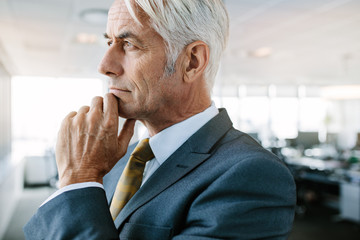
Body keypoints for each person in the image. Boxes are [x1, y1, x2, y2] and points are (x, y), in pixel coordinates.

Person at [24, 0, 296, 239]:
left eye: (129, 45)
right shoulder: (115, 159)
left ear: (191, 62)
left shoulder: (251, 175)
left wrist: (77, 178)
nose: (105, 65)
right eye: (110, 42)